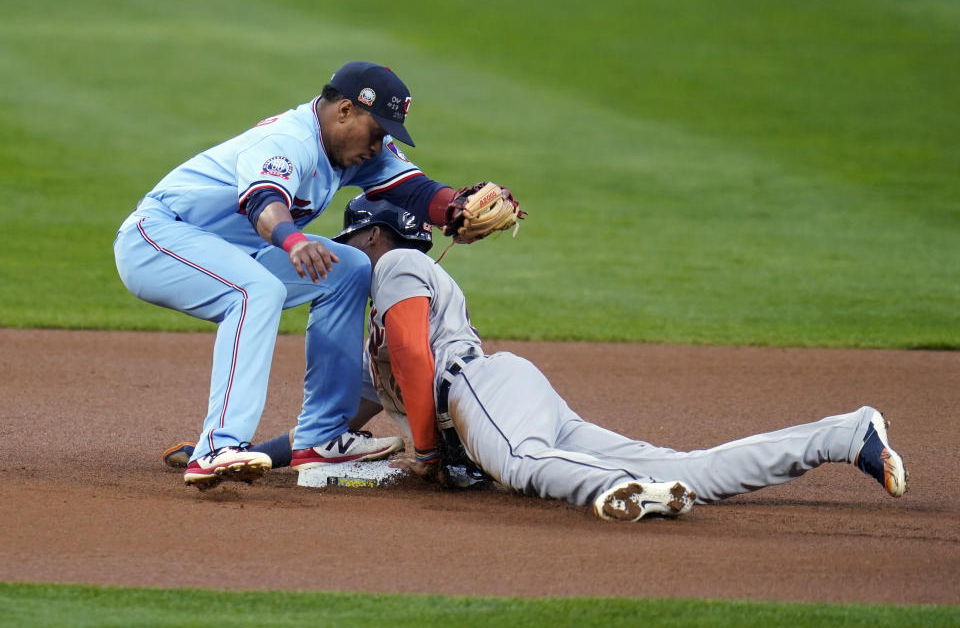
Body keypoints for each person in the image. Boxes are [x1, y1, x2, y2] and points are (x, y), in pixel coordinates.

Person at [169, 195, 907, 519]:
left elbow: (413, 356)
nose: (344, 251)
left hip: (483, 392)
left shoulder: (395, 270)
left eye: (349, 240)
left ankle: (617, 493)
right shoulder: (384, 317)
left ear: (368, 236)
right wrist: (246, 456)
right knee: (686, 467)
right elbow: (335, 425)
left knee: (520, 461)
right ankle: (843, 434)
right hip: (506, 395)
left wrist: (425, 447)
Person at [116, 61, 515, 490]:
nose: (380, 144)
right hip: (159, 238)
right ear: (344, 111)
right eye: (377, 131)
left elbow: (414, 190)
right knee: (256, 291)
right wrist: (292, 241)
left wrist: (453, 209)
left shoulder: (353, 151)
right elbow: (264, 203)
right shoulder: (289, 140)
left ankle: (322, 436)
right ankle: (218, 446)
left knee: (348, 269)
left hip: (231, 250)